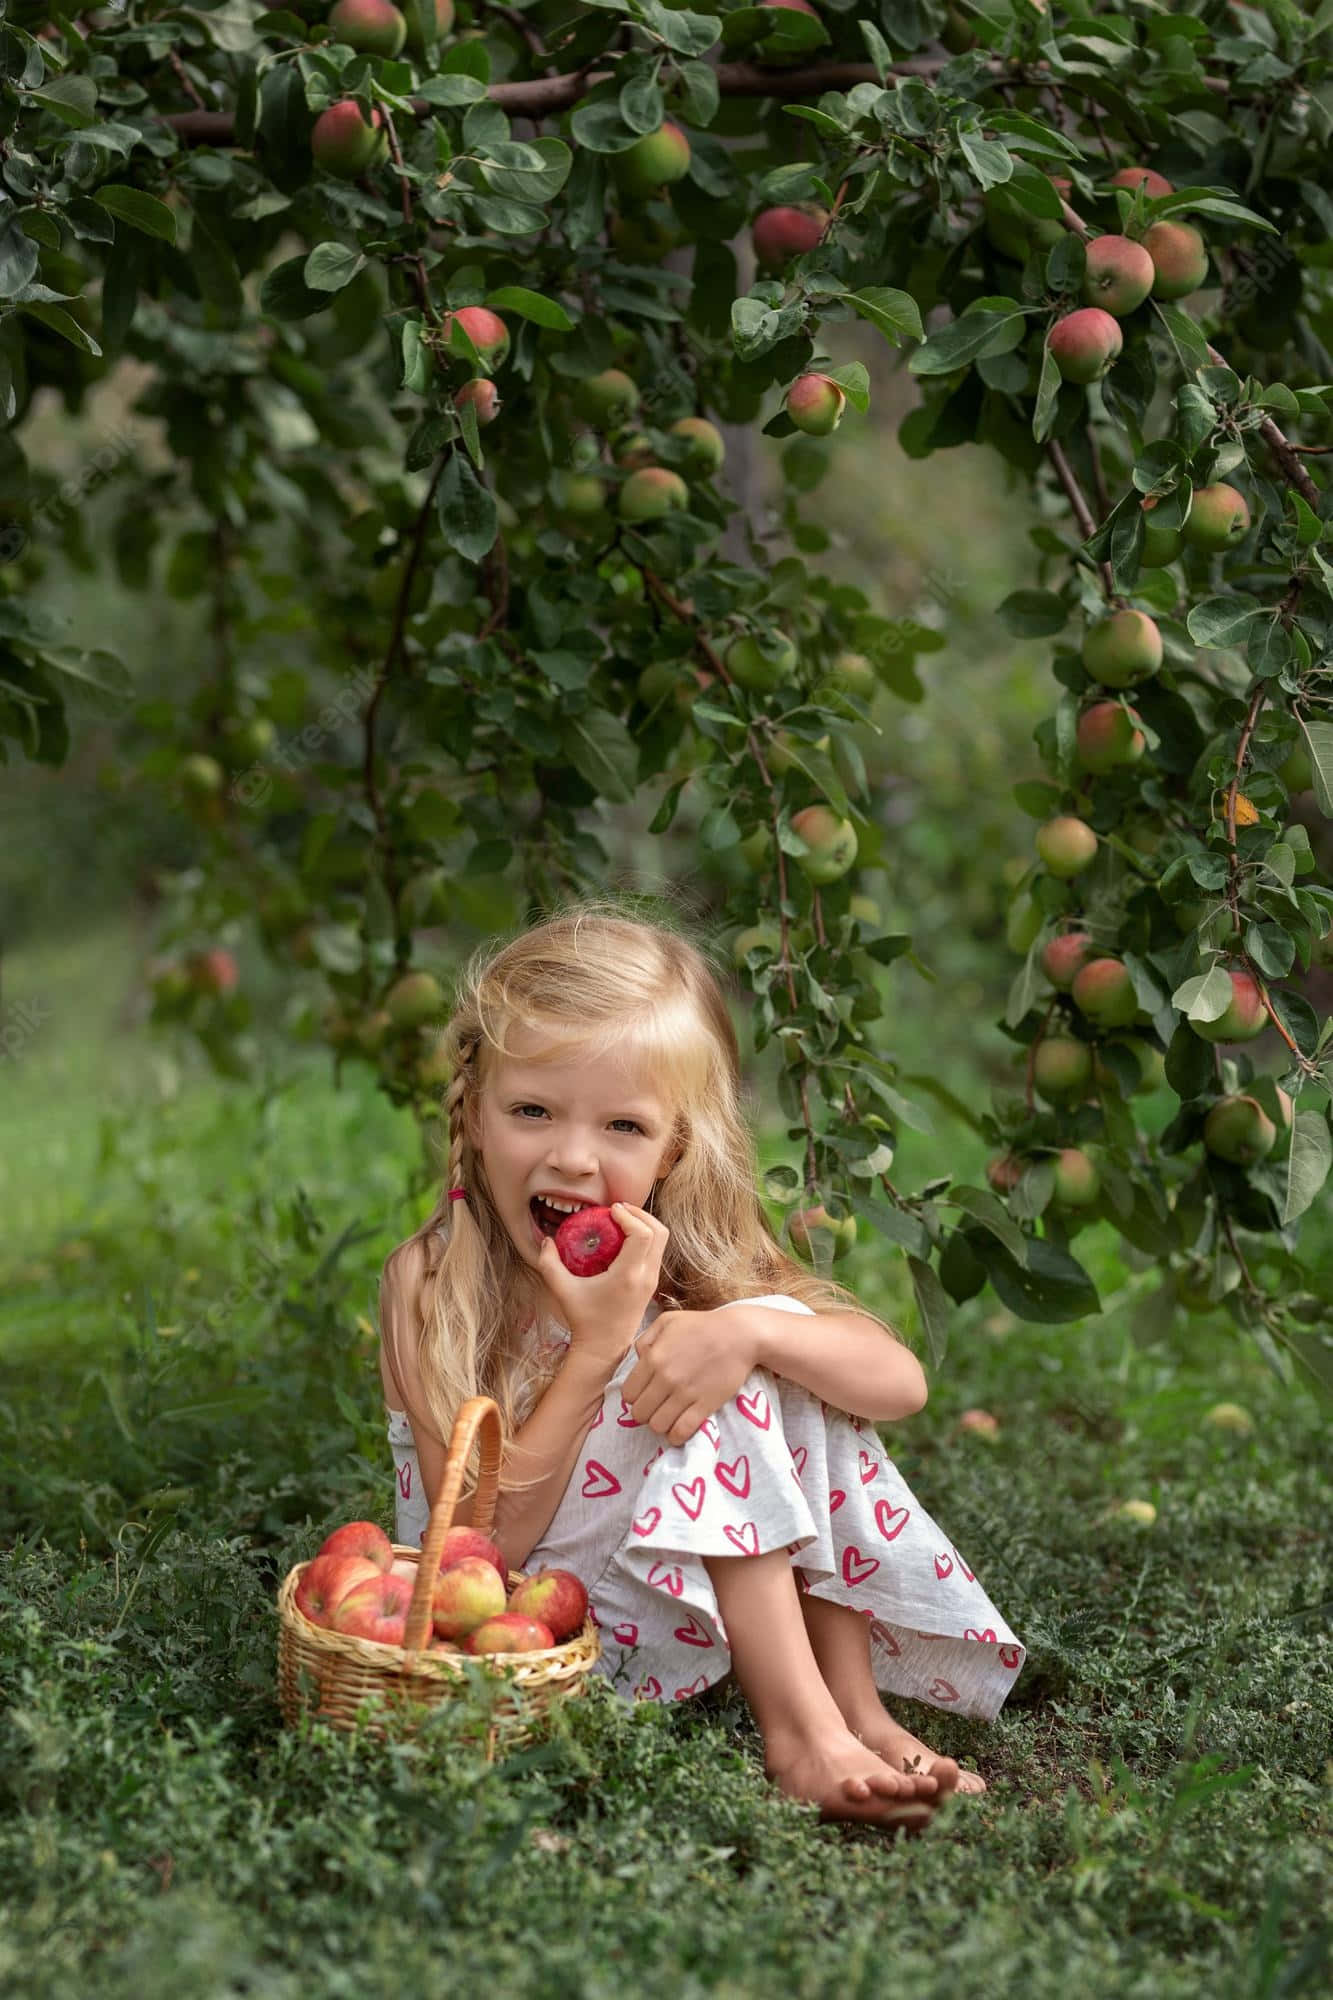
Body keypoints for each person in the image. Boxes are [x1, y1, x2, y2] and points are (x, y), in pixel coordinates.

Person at [379, 899, 1026, 1833]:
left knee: (753, 1333)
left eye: (622, 1128)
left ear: (674, 1145)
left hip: (660, 1598)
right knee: (712, 1352)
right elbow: (481, 1549)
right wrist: (599, 1345)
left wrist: (751, 1334)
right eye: (531, 1111)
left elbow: (898, 1385)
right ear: (474, 1114)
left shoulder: (680, 1263)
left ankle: (854, 1713)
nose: (571, 1157)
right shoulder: (431, 1281)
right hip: (522, 1628)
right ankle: (803, 1736)